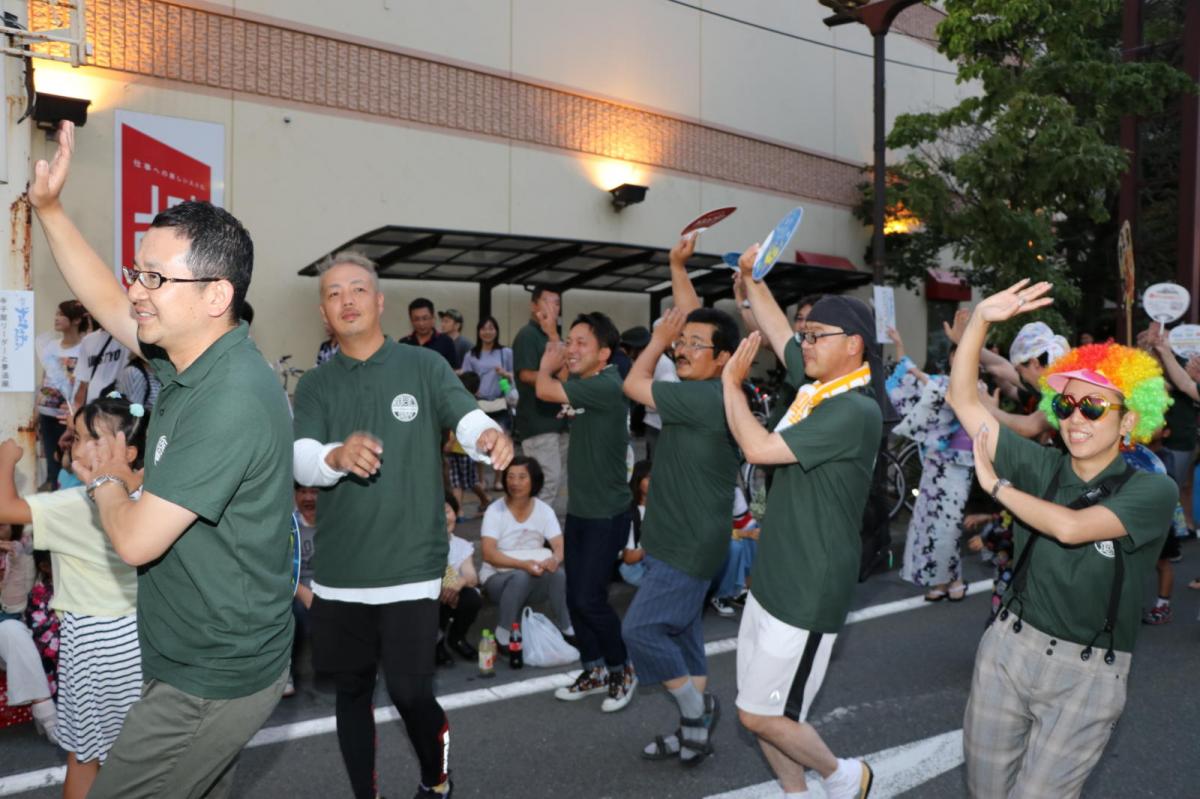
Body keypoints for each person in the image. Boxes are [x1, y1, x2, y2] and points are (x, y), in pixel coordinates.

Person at [29, 121, 295, 799]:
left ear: (216, 295)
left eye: (156, 276)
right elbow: (106, 298)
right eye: (138, 270)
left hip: (210, 677)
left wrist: (111, 480)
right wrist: (51, 209)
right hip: (191, 656)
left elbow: (137, 539)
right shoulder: (188, 356)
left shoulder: (228, 396)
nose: (138, 289)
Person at [292, 249, 512, 799]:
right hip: (342, 574)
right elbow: (299, 457)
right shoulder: (317, 386)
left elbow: (463, 415)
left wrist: (484, 436)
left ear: (379, 300)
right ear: (324, 311)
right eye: (335, 293)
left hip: (412, 567)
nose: (347, 300)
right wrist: (335, 458)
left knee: (413, 694)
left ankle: (436, 779)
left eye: (357, 289)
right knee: (352, 694)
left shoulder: (424, 365)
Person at [947, 280, 1175, 799]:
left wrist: (998, 488)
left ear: (1129, 420)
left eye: (1094, 408)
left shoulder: (1152, 489)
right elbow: (963, 400)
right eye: (1068, 405)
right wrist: (981, 319)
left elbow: (1071, 529)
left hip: (1087, 673)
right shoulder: (1042, 463)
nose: (1076, 418)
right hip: (1008, 648)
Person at [723, 243, 889, 799]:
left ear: (854, 346)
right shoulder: (818, 389)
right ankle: (798, 795)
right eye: (808, 333)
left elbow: (758, 447)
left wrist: (730, 387)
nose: (805, 343)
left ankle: (847, 778)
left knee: (762, 716)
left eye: (817, 335)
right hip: (777, 574)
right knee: (759, 705)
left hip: (809, 586)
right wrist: (751, 277)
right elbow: (777, 332)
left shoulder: (853, 408)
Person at [619, 231, 741, 763]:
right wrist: (676, 264)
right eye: (681, 342)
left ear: (724, 360)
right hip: (679, 536)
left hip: (689, 543)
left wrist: (655, 338)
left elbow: (633, 384)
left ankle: (696, 713)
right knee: (684, 633)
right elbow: (696, 318)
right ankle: (694, 723)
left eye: (694, 347)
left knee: (641, 630)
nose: (682, 348)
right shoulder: (710, 383)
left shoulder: (704, 396)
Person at [1, 397, 145, 799]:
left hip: (93, 643)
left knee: (84, 757)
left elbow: (4, 507)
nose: (76, 448)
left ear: (128, 450)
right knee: (139, 752)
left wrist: (6, 457)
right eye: (76, 437)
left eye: (88, 439)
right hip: (142, 638)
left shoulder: (79, 504)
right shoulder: (151, 493)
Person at [536, 311, 636, 711]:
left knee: (589, 598)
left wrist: (548, 364)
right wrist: (551, 334)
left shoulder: (607, 384)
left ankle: (621, 668)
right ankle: (594, 668)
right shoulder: (587, 382)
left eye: (581, 343)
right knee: (578, 598)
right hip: (583, 511)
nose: (571, 349)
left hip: (607, 514)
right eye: (570, 341)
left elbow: (544, 388)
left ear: (605, 353)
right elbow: (566, 377)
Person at [886, 327, 971, 602]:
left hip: (960, 465)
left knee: (950, 524)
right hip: (936, 463)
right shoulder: (941, 381)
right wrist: (899, 344)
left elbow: (932, 386)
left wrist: (916, 372)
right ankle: (940, 580)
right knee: (931, 524)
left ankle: (954, 577)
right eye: (956, 356)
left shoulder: (976, 387)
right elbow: (911, 378)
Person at [480, 456, 573, 650]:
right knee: (520, 576)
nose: (515, 482)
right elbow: (489, 554)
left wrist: (555, 559)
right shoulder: (494, 511)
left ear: (534, 481)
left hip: (535, 576)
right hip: (498, 579)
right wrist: (523, 564)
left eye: (522, 477)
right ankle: (503, 634)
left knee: (558, 573)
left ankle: (567, 628)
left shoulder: (544, 510)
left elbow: (560, 545)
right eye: (511, 477)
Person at [0, 523, 58, 744]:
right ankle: (50, 718)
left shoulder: (25, 549)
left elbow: (13, 605)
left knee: (16, 630)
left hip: (25, 625)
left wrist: (16, 559)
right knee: (10, 630)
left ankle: (49, 712)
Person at [512, 286, 569, 510]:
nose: (553, 307)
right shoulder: (528, 335)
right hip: (538, 420)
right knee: (547, 481)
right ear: (534, 305)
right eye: (547, 301)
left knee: (556, 482)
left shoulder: (553, 335)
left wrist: (554, 335)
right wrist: (550, 378)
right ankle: (533, 533)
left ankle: (549, 533)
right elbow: (525, 374)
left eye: (557, 303)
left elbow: (566, 374)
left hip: (559, 420)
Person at [36, 300, 88, 490]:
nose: (56, 318)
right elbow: (45, 380)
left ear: (75, 320)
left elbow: (85, 384)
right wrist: (36, 411)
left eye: (61, 314)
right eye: (56, 314)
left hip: (70, 415)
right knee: (52, 463)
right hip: (47, 412)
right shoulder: (50, 346)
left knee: (70, 463)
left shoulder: (85, 346)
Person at [437, 492, 482, 666]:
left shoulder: (461, 545)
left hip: (453, 592)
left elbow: (471, 576)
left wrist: (457, 585)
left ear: (455, 513)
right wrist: (442, 588)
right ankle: (436, 644)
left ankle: (457, 638)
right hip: (431, 596)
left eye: (447, 511)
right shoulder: (420, 546)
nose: (444, 518)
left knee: (471, 598)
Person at [445, 372, 492, 518]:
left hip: (465, 450)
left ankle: (485, 499)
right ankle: (459, 512)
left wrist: (450, 442)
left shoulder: (469, 405)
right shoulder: (463, 402)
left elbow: (461, 428)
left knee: (470, 482)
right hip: (455, 451)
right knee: (457, 482)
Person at [289, 483, 318, 697]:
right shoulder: (290, 526)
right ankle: (285, 673)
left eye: (314, 492)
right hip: (297, 589)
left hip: (329, 585)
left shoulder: (333, 522)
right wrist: (304, 593)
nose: (308, 497)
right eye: (302, 491)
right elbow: (279, 570)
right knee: (293, 610)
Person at [72, 323, 130, 410]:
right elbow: (83, 383)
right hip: (92, 408)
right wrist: (76, 411)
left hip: (118, 407)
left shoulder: (127, 336)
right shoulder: (88, 340)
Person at [619, 460, 652, 586]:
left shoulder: (664, 508)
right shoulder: (631, 512)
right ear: (638, 482)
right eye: (649, 478)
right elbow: (628, 557)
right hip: (636, 565)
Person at [401, 297, 457, 365]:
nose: (421, 323)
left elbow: (453, 371)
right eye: (416, 319)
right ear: (411, 320)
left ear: (433, 318)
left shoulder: (446, 342)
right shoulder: (404, 344)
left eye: (425, 318)